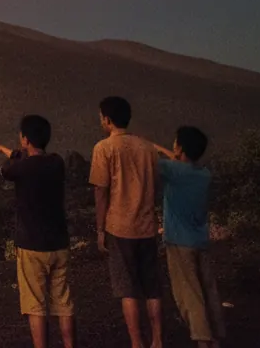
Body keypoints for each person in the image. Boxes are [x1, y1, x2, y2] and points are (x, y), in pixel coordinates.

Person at [0, 114, 76, 348]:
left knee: (36, 305)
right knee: (63, 302)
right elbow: (25, 160)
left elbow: (8, 169)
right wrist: (8, 150)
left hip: (31, 245)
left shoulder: (21, 169)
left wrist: (10, 153)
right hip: (59, 242)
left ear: (25, 139)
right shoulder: (57, 163)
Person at [90, 96, 163, 348]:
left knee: (128, 289)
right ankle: (158, 341)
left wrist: (100, 229)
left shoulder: (103, 148)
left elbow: (101, 191)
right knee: (152, 287)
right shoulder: (147, 148)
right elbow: (155, 183)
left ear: (107, 120)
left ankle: (136, 343)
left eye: (101, 117)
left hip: (119, 227)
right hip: (147, 226)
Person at [153, 126, 225, 348]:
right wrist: (173, 153)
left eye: (175, 142)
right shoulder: (204, 175)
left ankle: (202, 340)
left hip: (179, 241)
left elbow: (149, 155)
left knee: (189, 295)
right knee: (207, 289)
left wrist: (149, 144)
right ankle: (216, 337)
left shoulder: (173, 171)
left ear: (180, 147)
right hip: (200, 240)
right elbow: (176, 162)